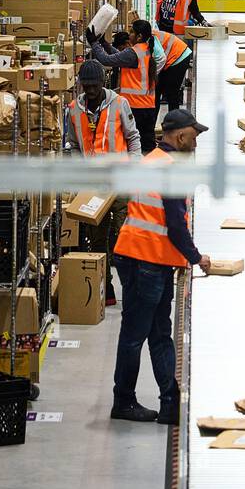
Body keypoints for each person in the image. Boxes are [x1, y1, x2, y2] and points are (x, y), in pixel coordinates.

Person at [109, 109, 213, 424]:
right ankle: (124, 401)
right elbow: (175, 225)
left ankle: (170, 402)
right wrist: (197, 258)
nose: (195, 146)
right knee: (135, 335)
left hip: (150, 260)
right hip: (144, 262)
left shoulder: (153, 159)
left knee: (158, 333)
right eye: (193, 139)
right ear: (180, 136)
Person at [64, 59, 139, 305]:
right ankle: (106, 290)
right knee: (97, 241)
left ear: (103, 83)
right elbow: (75, 145)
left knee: (123, 238)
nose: (91, 90)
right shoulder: (74, 109)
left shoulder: (119, 104)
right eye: (87, 86)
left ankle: (131, 290)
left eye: (95, 85)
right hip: (93, 188)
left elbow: (133, 138)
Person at [87, 23, 159, 152]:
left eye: (131, 32)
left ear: (139, 36)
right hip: (148, 106)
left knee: (134, 144)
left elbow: (106, 60)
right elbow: (118, 57)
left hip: (135, 107)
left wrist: (94, 43)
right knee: (147, 144)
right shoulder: (144, 49)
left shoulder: (133, 53)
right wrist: (104, 43)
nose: (129, 34)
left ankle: (137, 168)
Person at [148, 23, 193, 113]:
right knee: (157, 91)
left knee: (172, 93)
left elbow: (161, 59)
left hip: (179, 57)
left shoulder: (149, 38)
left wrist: (154, 75)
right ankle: (153, 124)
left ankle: (174, 123)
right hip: (173, 56)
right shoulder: (144, 37)